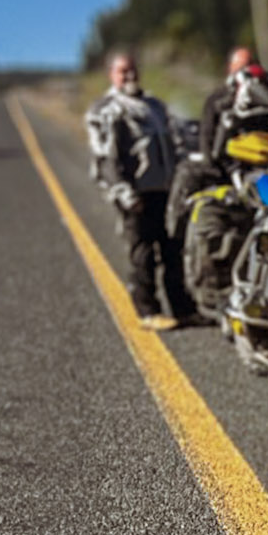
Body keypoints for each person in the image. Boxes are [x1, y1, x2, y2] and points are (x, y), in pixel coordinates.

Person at [87, 53, 196, 331]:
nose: (130, 76)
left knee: (173, 251)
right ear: (111, 74)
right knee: (143, 255)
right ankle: (147, 311)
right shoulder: (108, 110)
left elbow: (176, 141)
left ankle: (182, 309)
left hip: (166, 190)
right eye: (123, 71)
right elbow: (106, 158)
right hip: (137, 195)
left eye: (133, 69)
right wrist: (124, 193)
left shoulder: (154, 105)